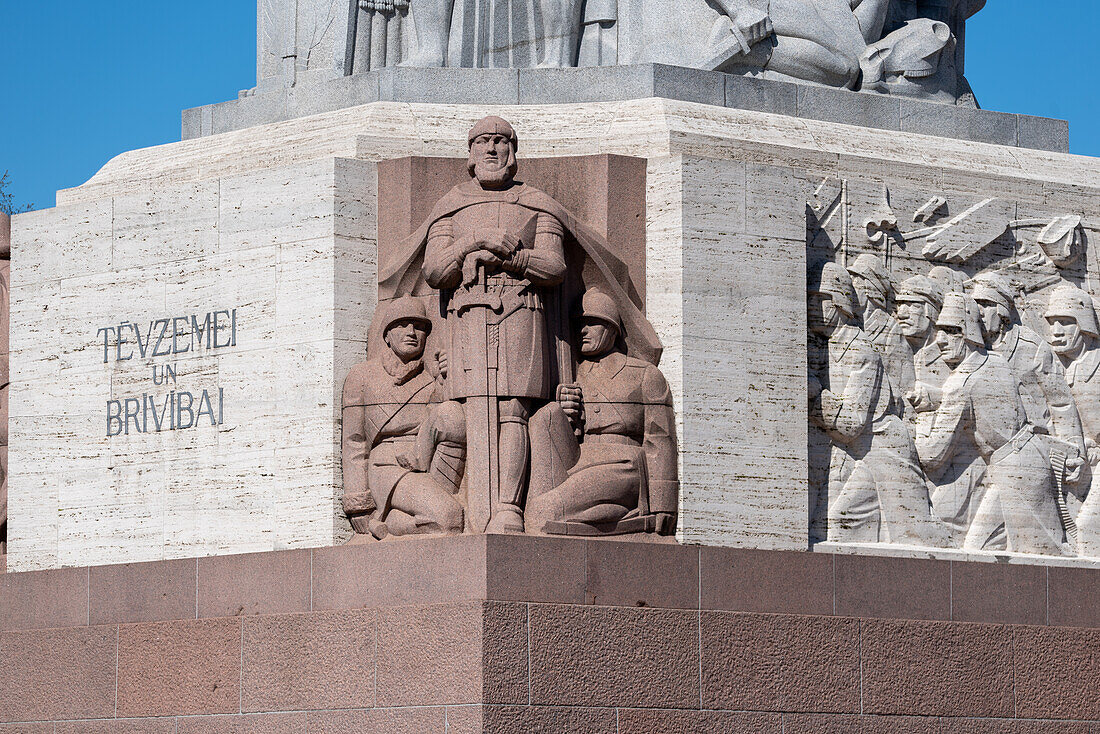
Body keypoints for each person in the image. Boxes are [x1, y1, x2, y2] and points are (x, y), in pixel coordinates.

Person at [916, 293, 1070, 555]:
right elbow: (981, 402)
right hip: (1022, 460)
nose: (940, 340)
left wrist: (921, 418)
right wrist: (937, 398)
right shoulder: (995, 361)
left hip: (1016, 473)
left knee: (1045, 555)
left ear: (968, 333)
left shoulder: (960, 383)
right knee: (979, 548)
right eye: (940, 331)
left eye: (951, 332)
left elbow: (932, 456)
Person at [808, 262, 946, 546]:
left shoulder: (861, 352)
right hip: (857, 452)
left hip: (885, 451)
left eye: (819, 300)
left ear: (840, 303)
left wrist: (813, 394)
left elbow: (850, 425)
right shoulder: (827, 344)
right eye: (809, 298)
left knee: (915, 535)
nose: (811, 307)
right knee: (838, 521)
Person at [526, 291, 678, 535]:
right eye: (578, 324)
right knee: (547, 415)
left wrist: (663, 504)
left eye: (591, 323)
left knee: (542, 513)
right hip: (579, 460)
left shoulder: (644, 374)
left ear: (611, 327)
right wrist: (568, 415)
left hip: (623, 465)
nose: (582, 330)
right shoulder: (572, 373)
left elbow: (660, 439)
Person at [341, 297, 467, 539]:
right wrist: (358, 503)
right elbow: (354, 441)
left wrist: (451, 380)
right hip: (387, 467)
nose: (411, 332)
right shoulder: (362, 376)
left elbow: (455, 424)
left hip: (432, 463)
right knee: (449, 518)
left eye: (419, 327)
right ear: (387, 335)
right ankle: (387, 522)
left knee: (451, 517)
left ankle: (391, 520)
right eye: (402, 325)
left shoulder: (432, 378)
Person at [969, 273, 1085, 462]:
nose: (979, 312)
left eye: (986, 304)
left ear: (1001, 310)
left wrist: (1075, 452)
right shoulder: (970, 349)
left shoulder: (1030, 345)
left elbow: (1060, 402)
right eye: (976, 305)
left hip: (1035, 448)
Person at [1045, 285, 1100, 556]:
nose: (1055, 330)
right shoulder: (1060, 368)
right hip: (1072, 464)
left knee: (1089, 526)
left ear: (1085, 326)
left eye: (1065, 323)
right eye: (1052, 322)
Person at [848, 254, 915, 401]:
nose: (850, 286)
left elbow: (904, 385)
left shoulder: (890, 329)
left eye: (856, 280)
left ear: (870, 287)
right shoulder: (852, 323)